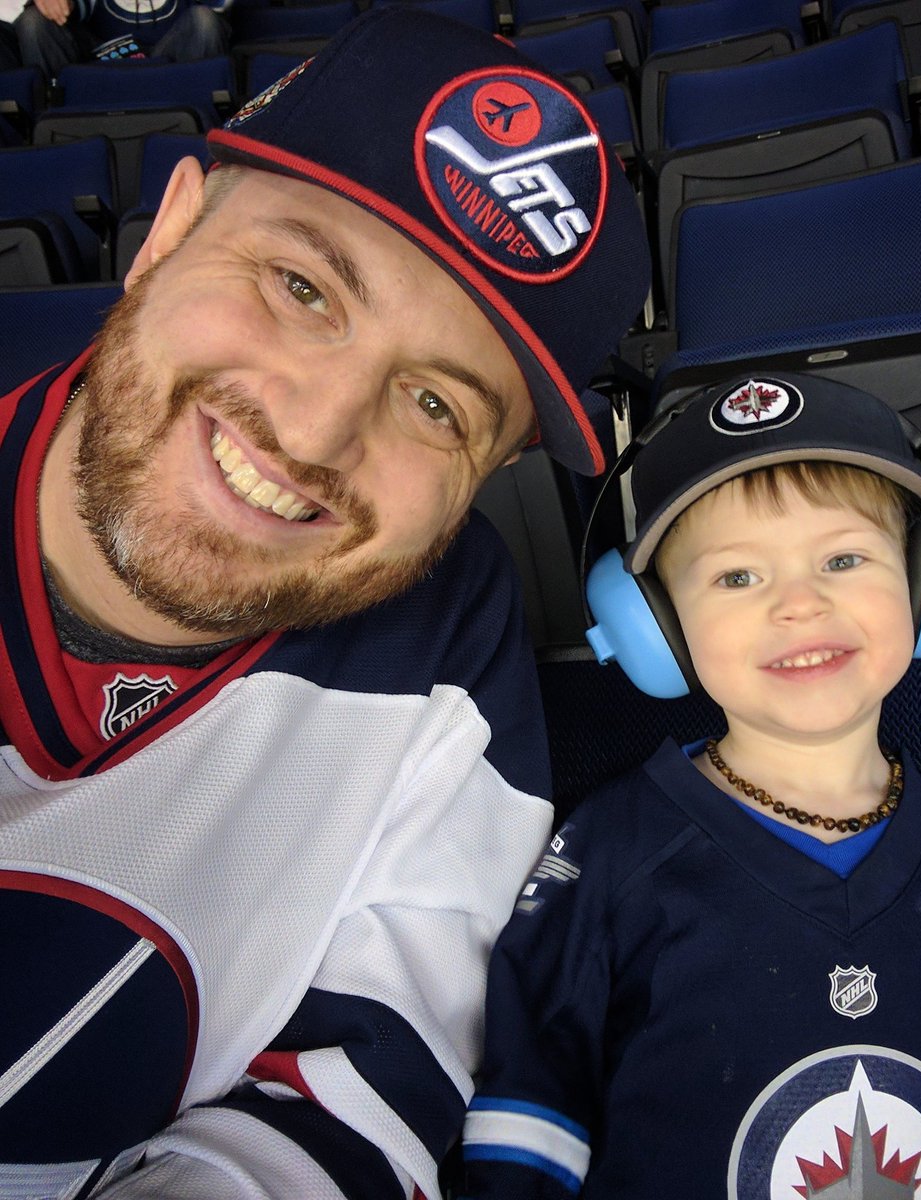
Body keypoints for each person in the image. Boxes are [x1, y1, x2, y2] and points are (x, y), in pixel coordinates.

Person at [0, 7, 649, 1198]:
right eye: (300, 285)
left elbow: (350, 1105)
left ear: (486, 477)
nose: (312, 431)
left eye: (436, 406)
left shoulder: (450, 645)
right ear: (169, 231)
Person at [459, 372, 921, 1199]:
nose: (800, 605)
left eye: (844, 559)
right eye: (738, 577)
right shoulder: (607, 854)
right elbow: (528, 1126)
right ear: (653, 628)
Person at [15, 0, 229, 77]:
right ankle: (49, 108)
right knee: (34, 21)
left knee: (204, 20)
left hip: (172, 66)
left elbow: (222, 8)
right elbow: (73, 7)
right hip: (98, 67)